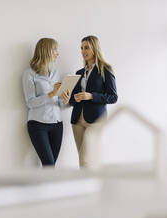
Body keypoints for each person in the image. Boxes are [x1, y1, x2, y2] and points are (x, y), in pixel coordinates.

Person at [69, 35, 118, 167]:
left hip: (96, 120)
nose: (83, 51)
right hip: (77, 120)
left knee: (85, 159)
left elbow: (113, 97)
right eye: (81, 48)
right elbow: (73, 100)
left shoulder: (105, 70)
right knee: (84, 160)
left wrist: (91, 96)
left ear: (94, 49)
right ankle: (90, 183)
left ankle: (87, 185)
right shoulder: (79, 72)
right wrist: (69, 97)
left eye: (86, 48)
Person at [22, 38, 71, 167]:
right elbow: (30, 102)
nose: (57, 53)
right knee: (48, 164)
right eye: (55, 49)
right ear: (46, 50)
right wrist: (52, 94)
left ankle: (46, 187)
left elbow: (58, 102)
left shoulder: (55, 73)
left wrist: (65, 100)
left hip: (57, 124)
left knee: (51, 167)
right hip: (38, 125)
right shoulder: (29, 74)